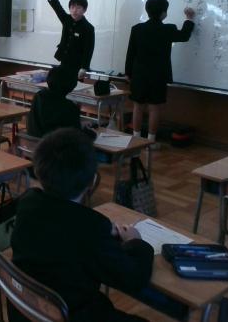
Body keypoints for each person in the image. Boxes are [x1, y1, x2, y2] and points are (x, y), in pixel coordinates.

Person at [10, 128, 154, 322]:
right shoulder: (92, 229)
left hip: (26, 312)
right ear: (92, 181)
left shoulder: (27, 202)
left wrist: (103, 234)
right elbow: (135, 279)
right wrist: (135, 241)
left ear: (38, 170)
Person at [125, 0, 195, 145]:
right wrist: (189, 19)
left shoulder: (137, 28)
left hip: (139, 74)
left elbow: (130, 53)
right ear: (164, 13)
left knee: (138, 106)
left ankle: (136, 138)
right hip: (158, 75)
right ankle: (151, 141)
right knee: (154, 108)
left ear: (148, 11)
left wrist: (128, 73)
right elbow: (184, 36)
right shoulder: (168, 29)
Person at [39, 0, 95, 76]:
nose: (74, 10)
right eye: (72, 7)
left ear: (84, 10)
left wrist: (84, 67)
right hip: (64, 61)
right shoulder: (67, 20)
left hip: (77, 66)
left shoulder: (88, 28)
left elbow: (88, 50)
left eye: (78, 8)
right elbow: (57, 7)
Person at [26, 65, 81, 137]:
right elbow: (76, 135)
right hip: (54, 143)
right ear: (71, 86)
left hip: (33, 142)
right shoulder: (70, 107)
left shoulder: (38, 96)